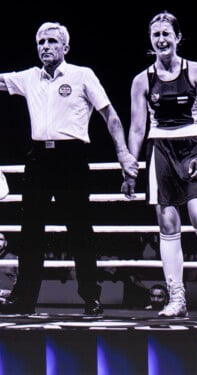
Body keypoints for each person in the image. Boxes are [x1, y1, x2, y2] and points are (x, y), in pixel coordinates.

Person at [0, 22, 138, 315]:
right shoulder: (28, 77)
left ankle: (91, 297)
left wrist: (123, 153)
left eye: (52, 41)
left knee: (79, 230)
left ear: (65, 47)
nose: (45, 46)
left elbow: (110, 116)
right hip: (38, 158)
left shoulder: (82, 75)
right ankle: (24, 298)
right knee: (30, 232)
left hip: (71, 158)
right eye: (41, 42)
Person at [126, 11, 197, 318]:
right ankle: (176, 297)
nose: (161, 39)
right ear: (151, 40)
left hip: (193, 145)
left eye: (166, 34)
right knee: (167, 224)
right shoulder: (141, 80)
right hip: (160, 149)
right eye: (155, 35)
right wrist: (131, 168)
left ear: (177, 37)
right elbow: (136, 127)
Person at [0, 233, 18, 300]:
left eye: (1, 239)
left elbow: (22, 284)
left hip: (8, 300)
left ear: (5, 243)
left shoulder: (14, 259)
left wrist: (3, 293)